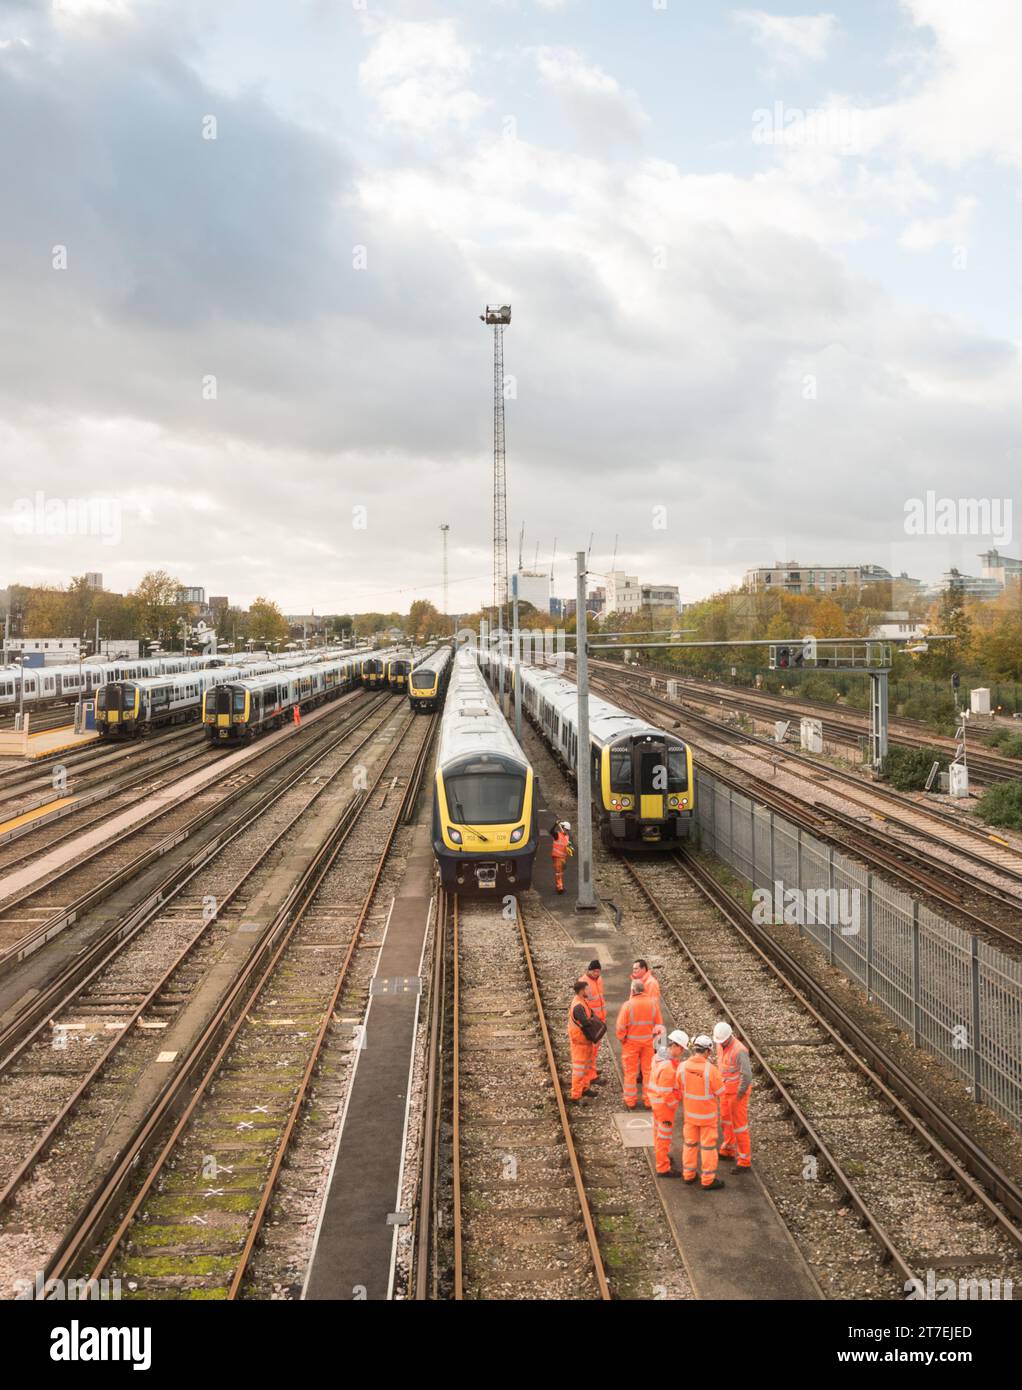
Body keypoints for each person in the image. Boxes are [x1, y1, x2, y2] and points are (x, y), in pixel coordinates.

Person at [681, 1035, 726, 1190]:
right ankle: (707, 1180)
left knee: (690, 1144)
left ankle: (688, 1175)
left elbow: (678, 1087)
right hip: (707, 1117)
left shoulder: (682, 1067)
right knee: (707, 1148)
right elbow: (721, 1092)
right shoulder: (710, 1070)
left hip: (689, 1115)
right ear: (707, 1051)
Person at [615, 980, 663, 1109]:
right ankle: (648, 1100)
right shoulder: (653, 1005)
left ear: (632, 991)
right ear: (644, 990)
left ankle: (630, 1101)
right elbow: (659, 1026)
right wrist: (655, 1040)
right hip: (648, 1044)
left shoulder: (628, 1005)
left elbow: (620, 1026)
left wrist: (622, 1039)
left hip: (631, 1044)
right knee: (648, 1071)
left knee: (630, 1072)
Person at [647, 1030, 688, 1176]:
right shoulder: (668, 1068)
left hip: (655, 1100)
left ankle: (661, 1156)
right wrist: (675, 1102)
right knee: (664, 1136)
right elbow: (666, 1093)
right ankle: (663, 1168)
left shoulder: (659, 1055)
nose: (682, 1052)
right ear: (676, 1046)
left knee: (658, 1132)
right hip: (664, 1106)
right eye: (682, 1048)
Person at [713, 1021, 753, 1171]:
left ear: (729, 1037)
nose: (720, 1043)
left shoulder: (739, 1050)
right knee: (726, 1120)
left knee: (740, 1127)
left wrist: (739, 1094)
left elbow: (747, 1075)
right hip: (725, 1091)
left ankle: (744, 1161)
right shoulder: (720, 1045)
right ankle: (728, 1149)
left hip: (737, 1094)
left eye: (722, 1041)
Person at [577, 960, 606, 1087]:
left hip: (599, 1021)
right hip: (592, 1023)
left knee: (594, 1050)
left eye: (598, 971)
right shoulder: (583, 982)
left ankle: (591, 1070)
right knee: (591, 1051)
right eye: (594, 971)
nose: (597, 973)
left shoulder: (599, 980)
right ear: (589, 970)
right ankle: (591, 1076)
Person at [567, 980, 596, 1102]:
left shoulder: (581, 1002)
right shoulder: (578, 1006)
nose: (589, 991)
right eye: (587, 989)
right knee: (579, 1070)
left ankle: (584, 1088)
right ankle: (576, 1095)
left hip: (584, 1041)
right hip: (580, 1042)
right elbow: (585, 1022)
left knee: (585, 1067)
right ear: (582, 991)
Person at [551, 821, 573, 893]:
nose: (567, 831)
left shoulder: (566, 837)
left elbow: (567, 846)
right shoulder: (557, 834)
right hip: (557, 857)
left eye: (568, 830)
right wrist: (555, 824)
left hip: (563, 858)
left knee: (560, 872)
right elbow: (551, 832)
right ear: (563, 828)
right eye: (566, 830)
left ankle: (560, 886)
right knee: (558, 873)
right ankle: (560, 888)